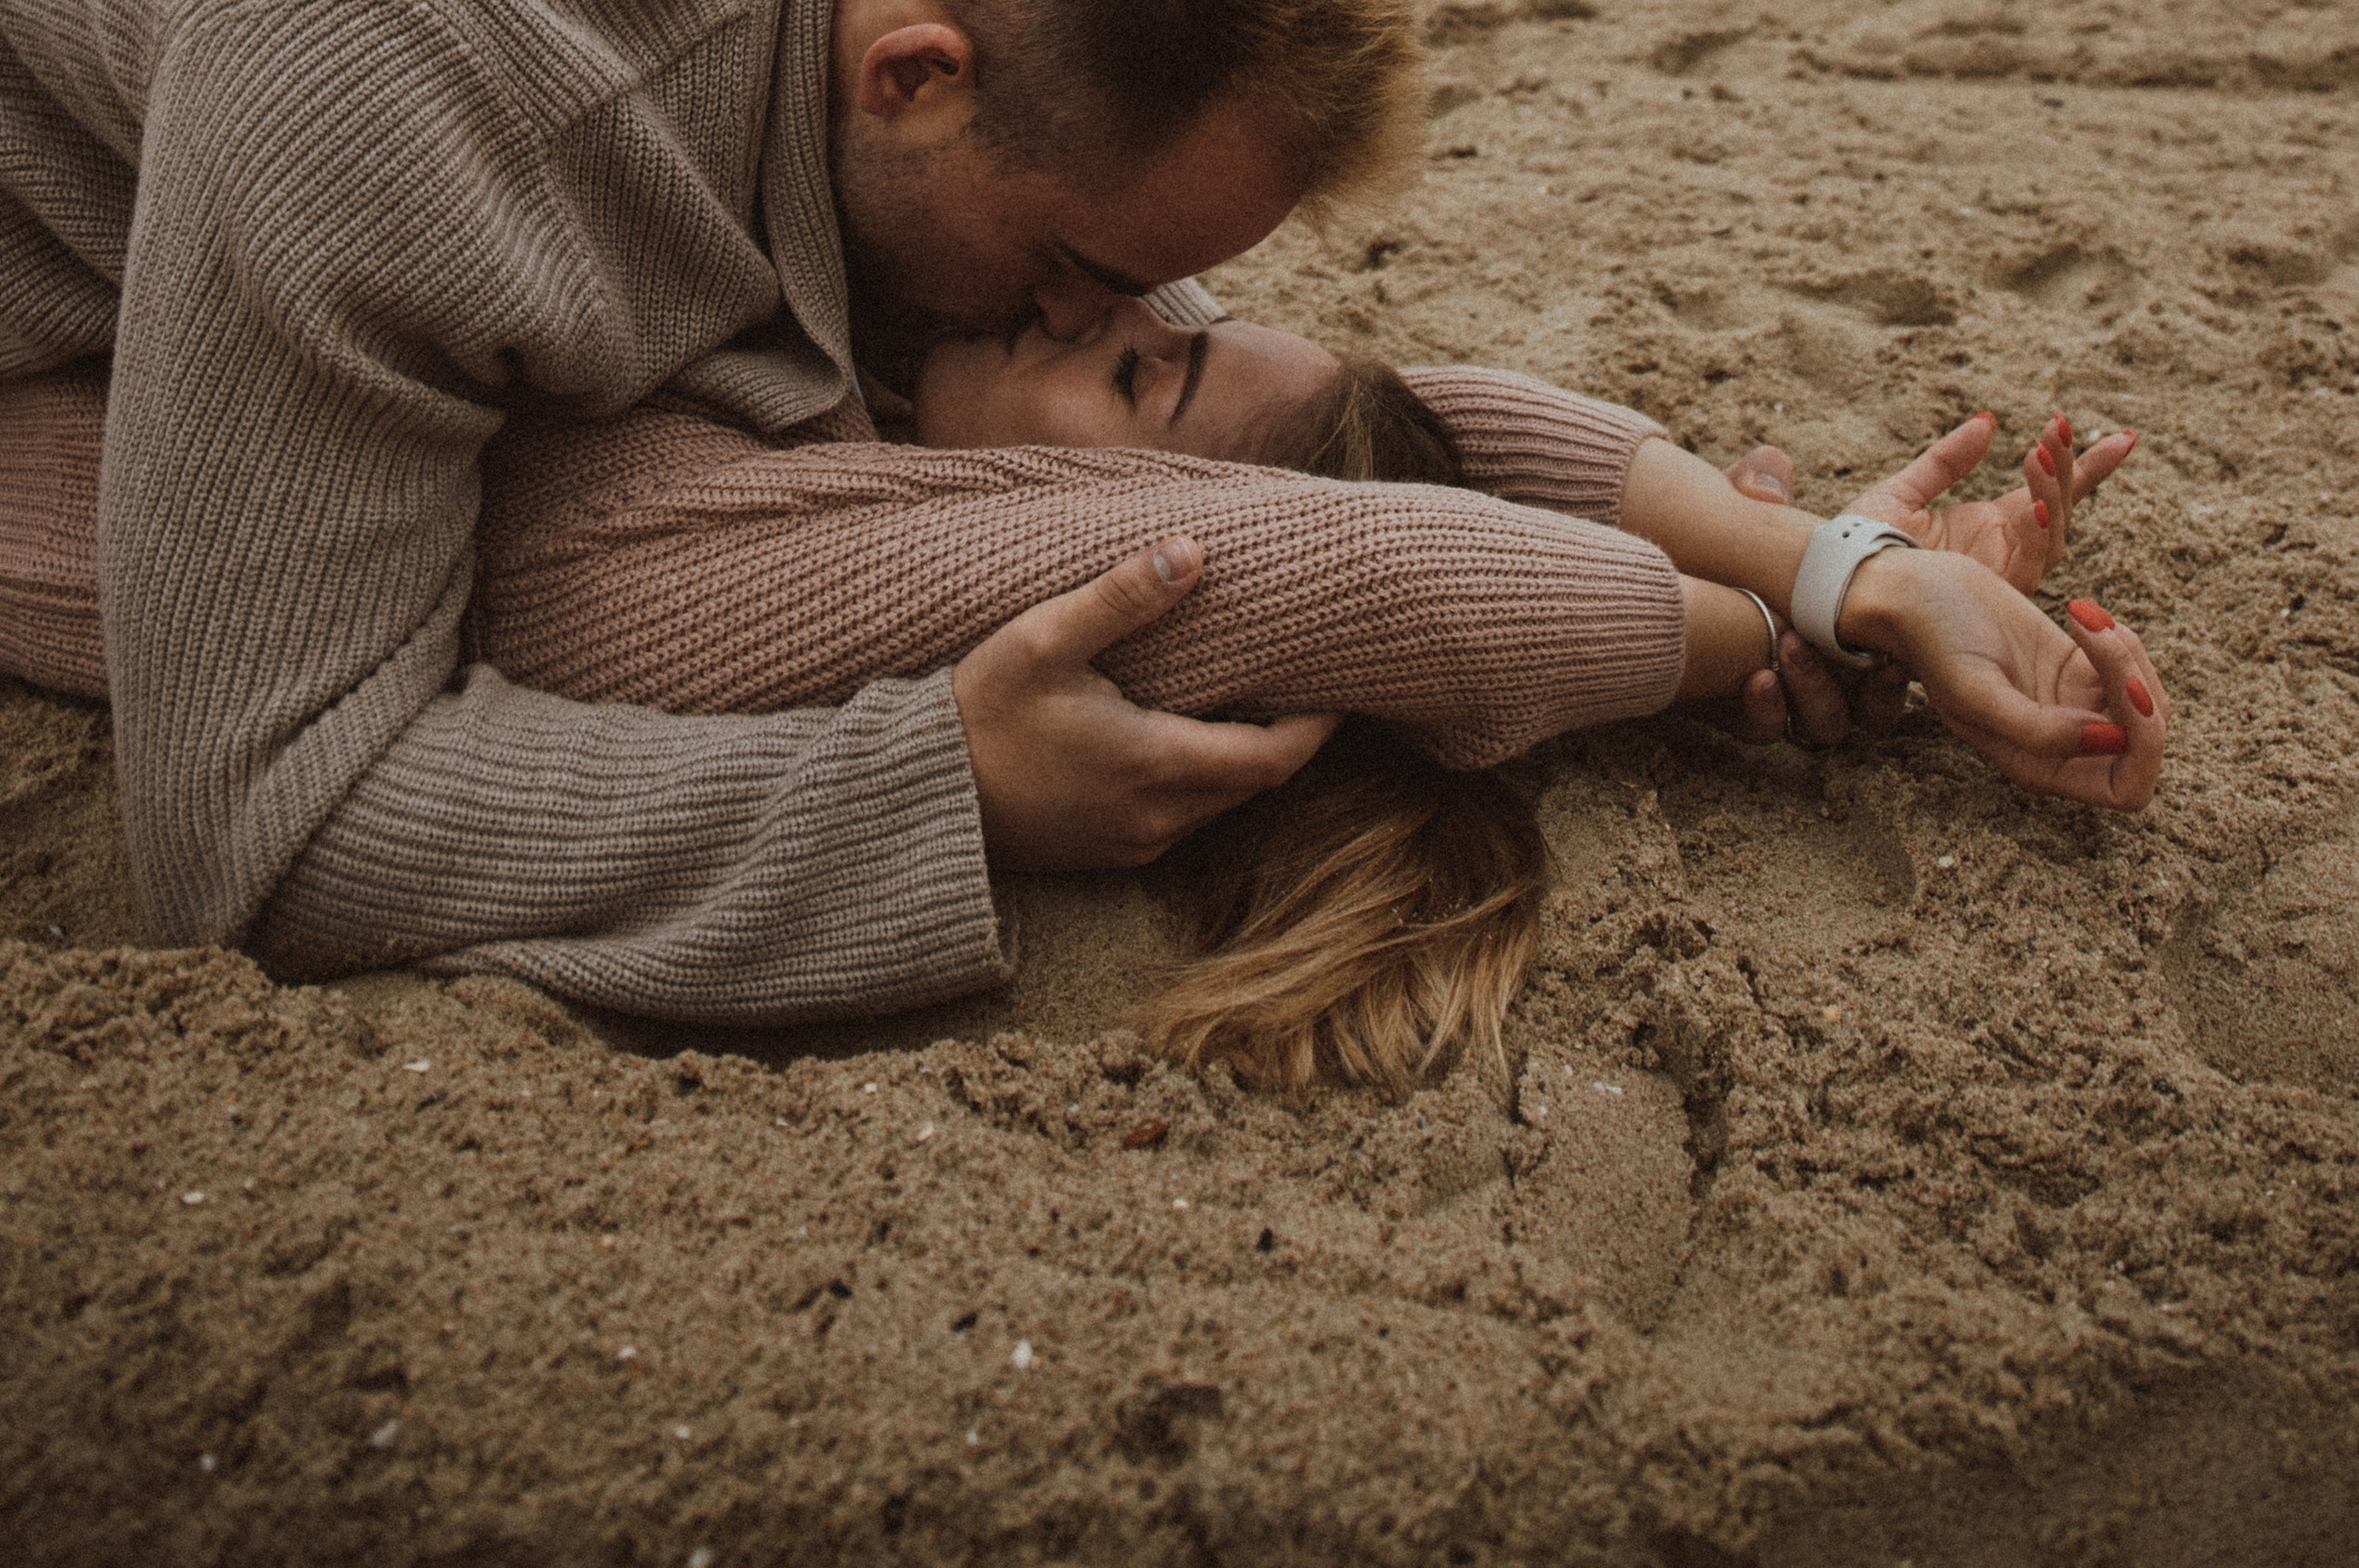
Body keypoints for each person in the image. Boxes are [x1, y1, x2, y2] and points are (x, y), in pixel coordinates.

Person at [1, 317, 2160, 1080]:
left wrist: (1814, 623)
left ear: (1081, 502)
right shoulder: (825, 399)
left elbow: (1374, 564)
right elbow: (1438, 419)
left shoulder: (791, 555)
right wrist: (1798, 557)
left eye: (1137, 364)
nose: (1102, 306)